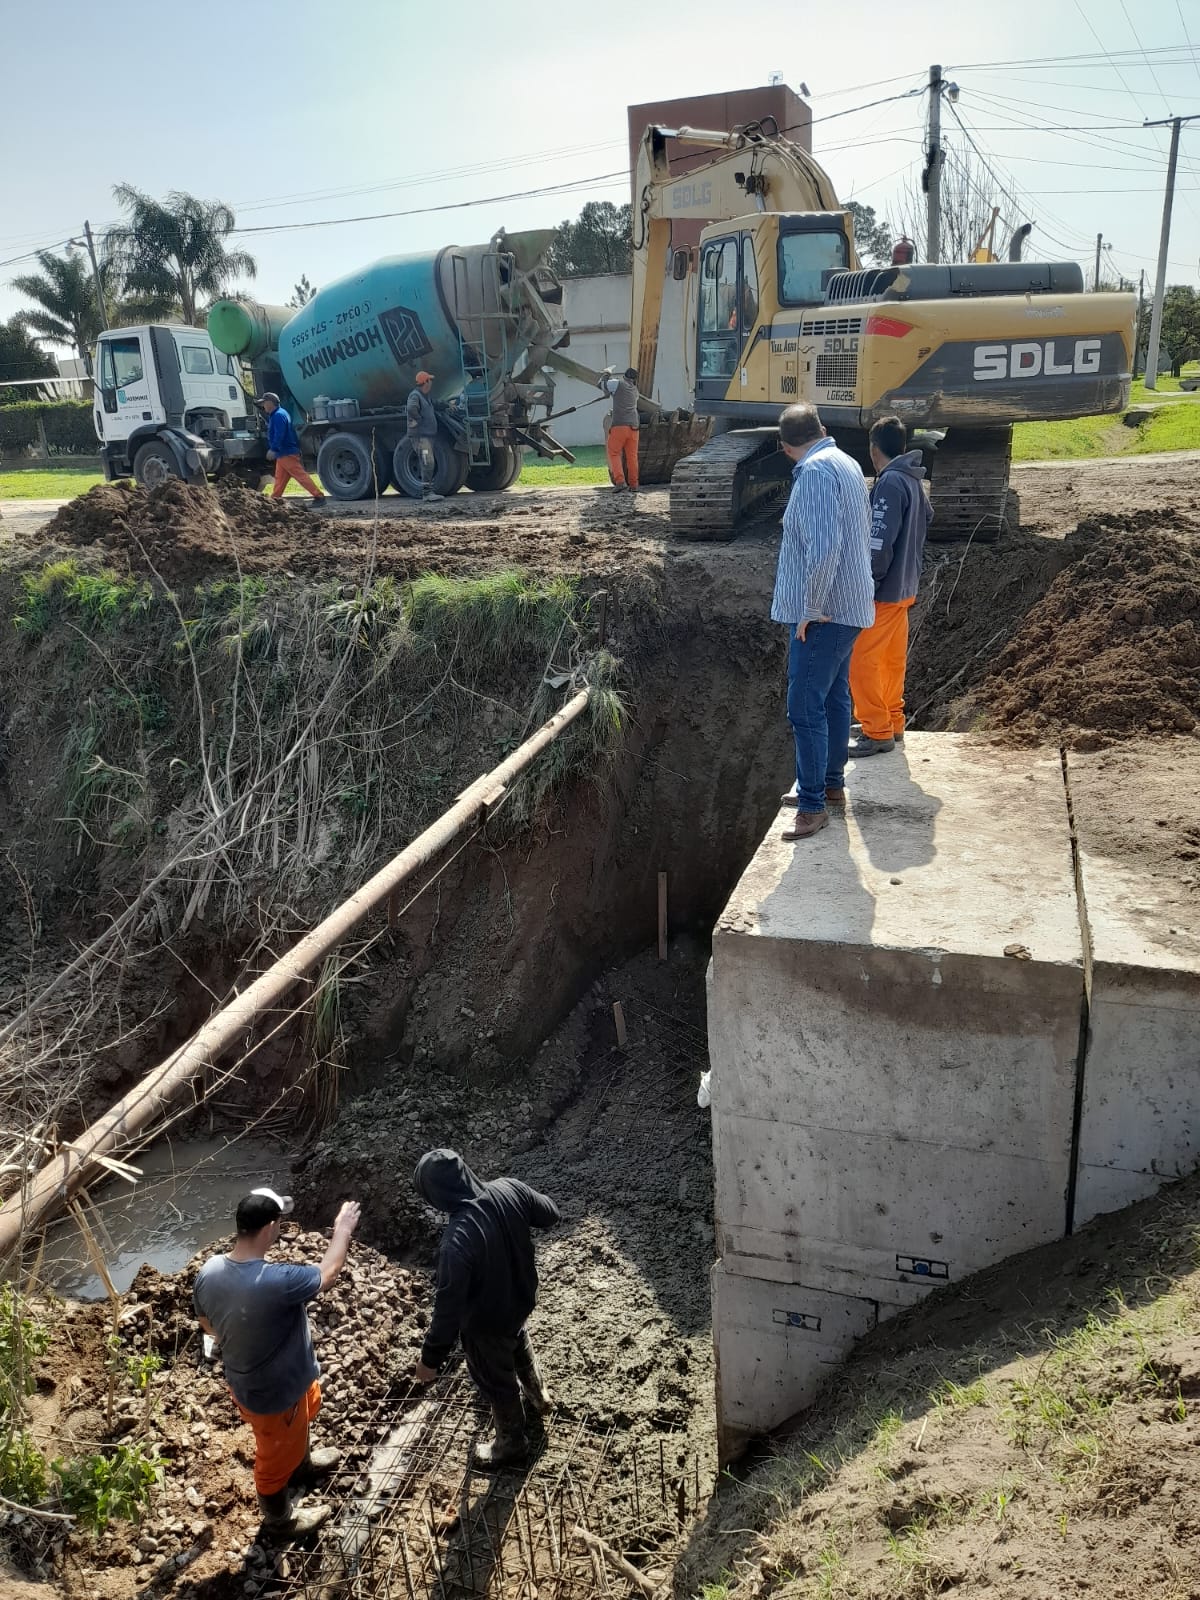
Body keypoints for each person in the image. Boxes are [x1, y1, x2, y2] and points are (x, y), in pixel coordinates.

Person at [193, 1187, 361, 1537]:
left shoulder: (209, 1271)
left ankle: (301, 1464)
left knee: (302, 1418)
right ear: (270, 1228)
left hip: (269, 1382)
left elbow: (208, 1325)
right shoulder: (277, 1280)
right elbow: (328, 1272)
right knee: (272, 1460)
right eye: (280, 1222)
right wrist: (342, 1229)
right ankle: (280, 1520)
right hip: (272, 1395)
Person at [411, 1150, 559, 1469]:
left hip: (485, 1325)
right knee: (518, 1340)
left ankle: (511, 1444)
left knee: (496, 1380)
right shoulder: (509, 1188)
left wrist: (429, 1360)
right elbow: (550, 1213)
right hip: (519, 1299)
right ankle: (538, 1394)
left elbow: (447, 1310)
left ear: (437, 1196)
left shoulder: (457, 1242)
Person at [773, 403, 875, 840]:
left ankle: (812, 804)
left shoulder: (814, 473)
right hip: (850, 606)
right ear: (823, 429)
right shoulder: (846, 462)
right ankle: (830, 786)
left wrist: (810, 609)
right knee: (834, 698)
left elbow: (823, 548)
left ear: (783, 447)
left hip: (825, 613)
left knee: (804, 707)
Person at [848, 415, 933, 757]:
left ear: (873, 448)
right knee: (889, 660)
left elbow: (878, 542)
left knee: (861, 660)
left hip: (883, 591)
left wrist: (867, 584)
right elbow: (927, 517)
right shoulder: (912, 479)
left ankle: (876, 729)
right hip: (905, 587)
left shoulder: (889, 483)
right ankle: (892, 721)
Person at [260, 394, 326, 504]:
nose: (263, 405)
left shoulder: (278, 416)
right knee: (280, 479)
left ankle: (319, 497)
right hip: (283, 453)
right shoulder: (279, 414)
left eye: (264, 403)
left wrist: (274, 449)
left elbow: (279, 434)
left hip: (286, 452)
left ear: (270, 402)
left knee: (301, 476)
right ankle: (275, 500)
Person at [599, 366, 640, 493]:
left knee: (614, 453)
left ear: (624, 376)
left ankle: (620, 482)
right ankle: (634, 485)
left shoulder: (617, 383)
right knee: (632, 457)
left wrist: (606, 373)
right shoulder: (635, 391)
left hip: (620, 426)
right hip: (634, 427)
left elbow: (601, 384)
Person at [407, 370, 442, 502]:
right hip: (421, 437)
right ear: (425, 382)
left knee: (428, 462)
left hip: (427, 436)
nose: (431, 383)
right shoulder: (415, 396)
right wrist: (419, 419)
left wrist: (447, 405)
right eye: (430, 380)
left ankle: (428, 492)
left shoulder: (425, 396)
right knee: (428, 462)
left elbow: (434, 403)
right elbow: (411, 409)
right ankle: (427, 494)